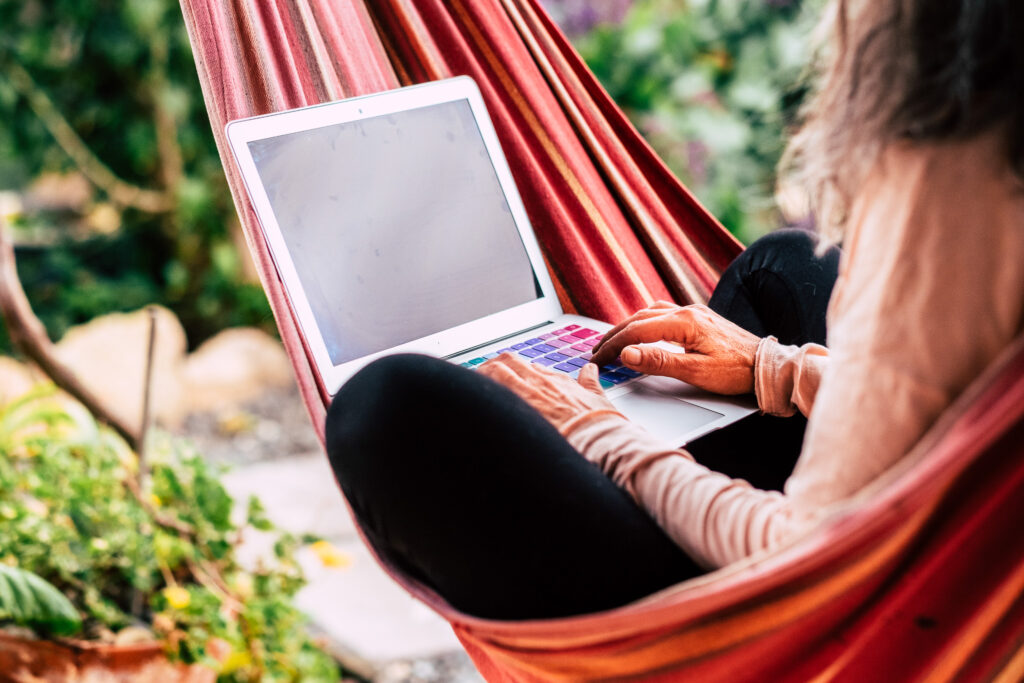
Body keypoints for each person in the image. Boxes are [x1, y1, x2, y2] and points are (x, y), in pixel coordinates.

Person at [325, 0, 1024, 620]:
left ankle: (662, 528)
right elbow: (963, 402)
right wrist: (770, 369)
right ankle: (681, 474)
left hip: (809, 622)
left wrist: (605, 436)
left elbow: (805, 556)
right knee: (783, 271)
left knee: (383, 405)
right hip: (962, 534)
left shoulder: (957, 174)